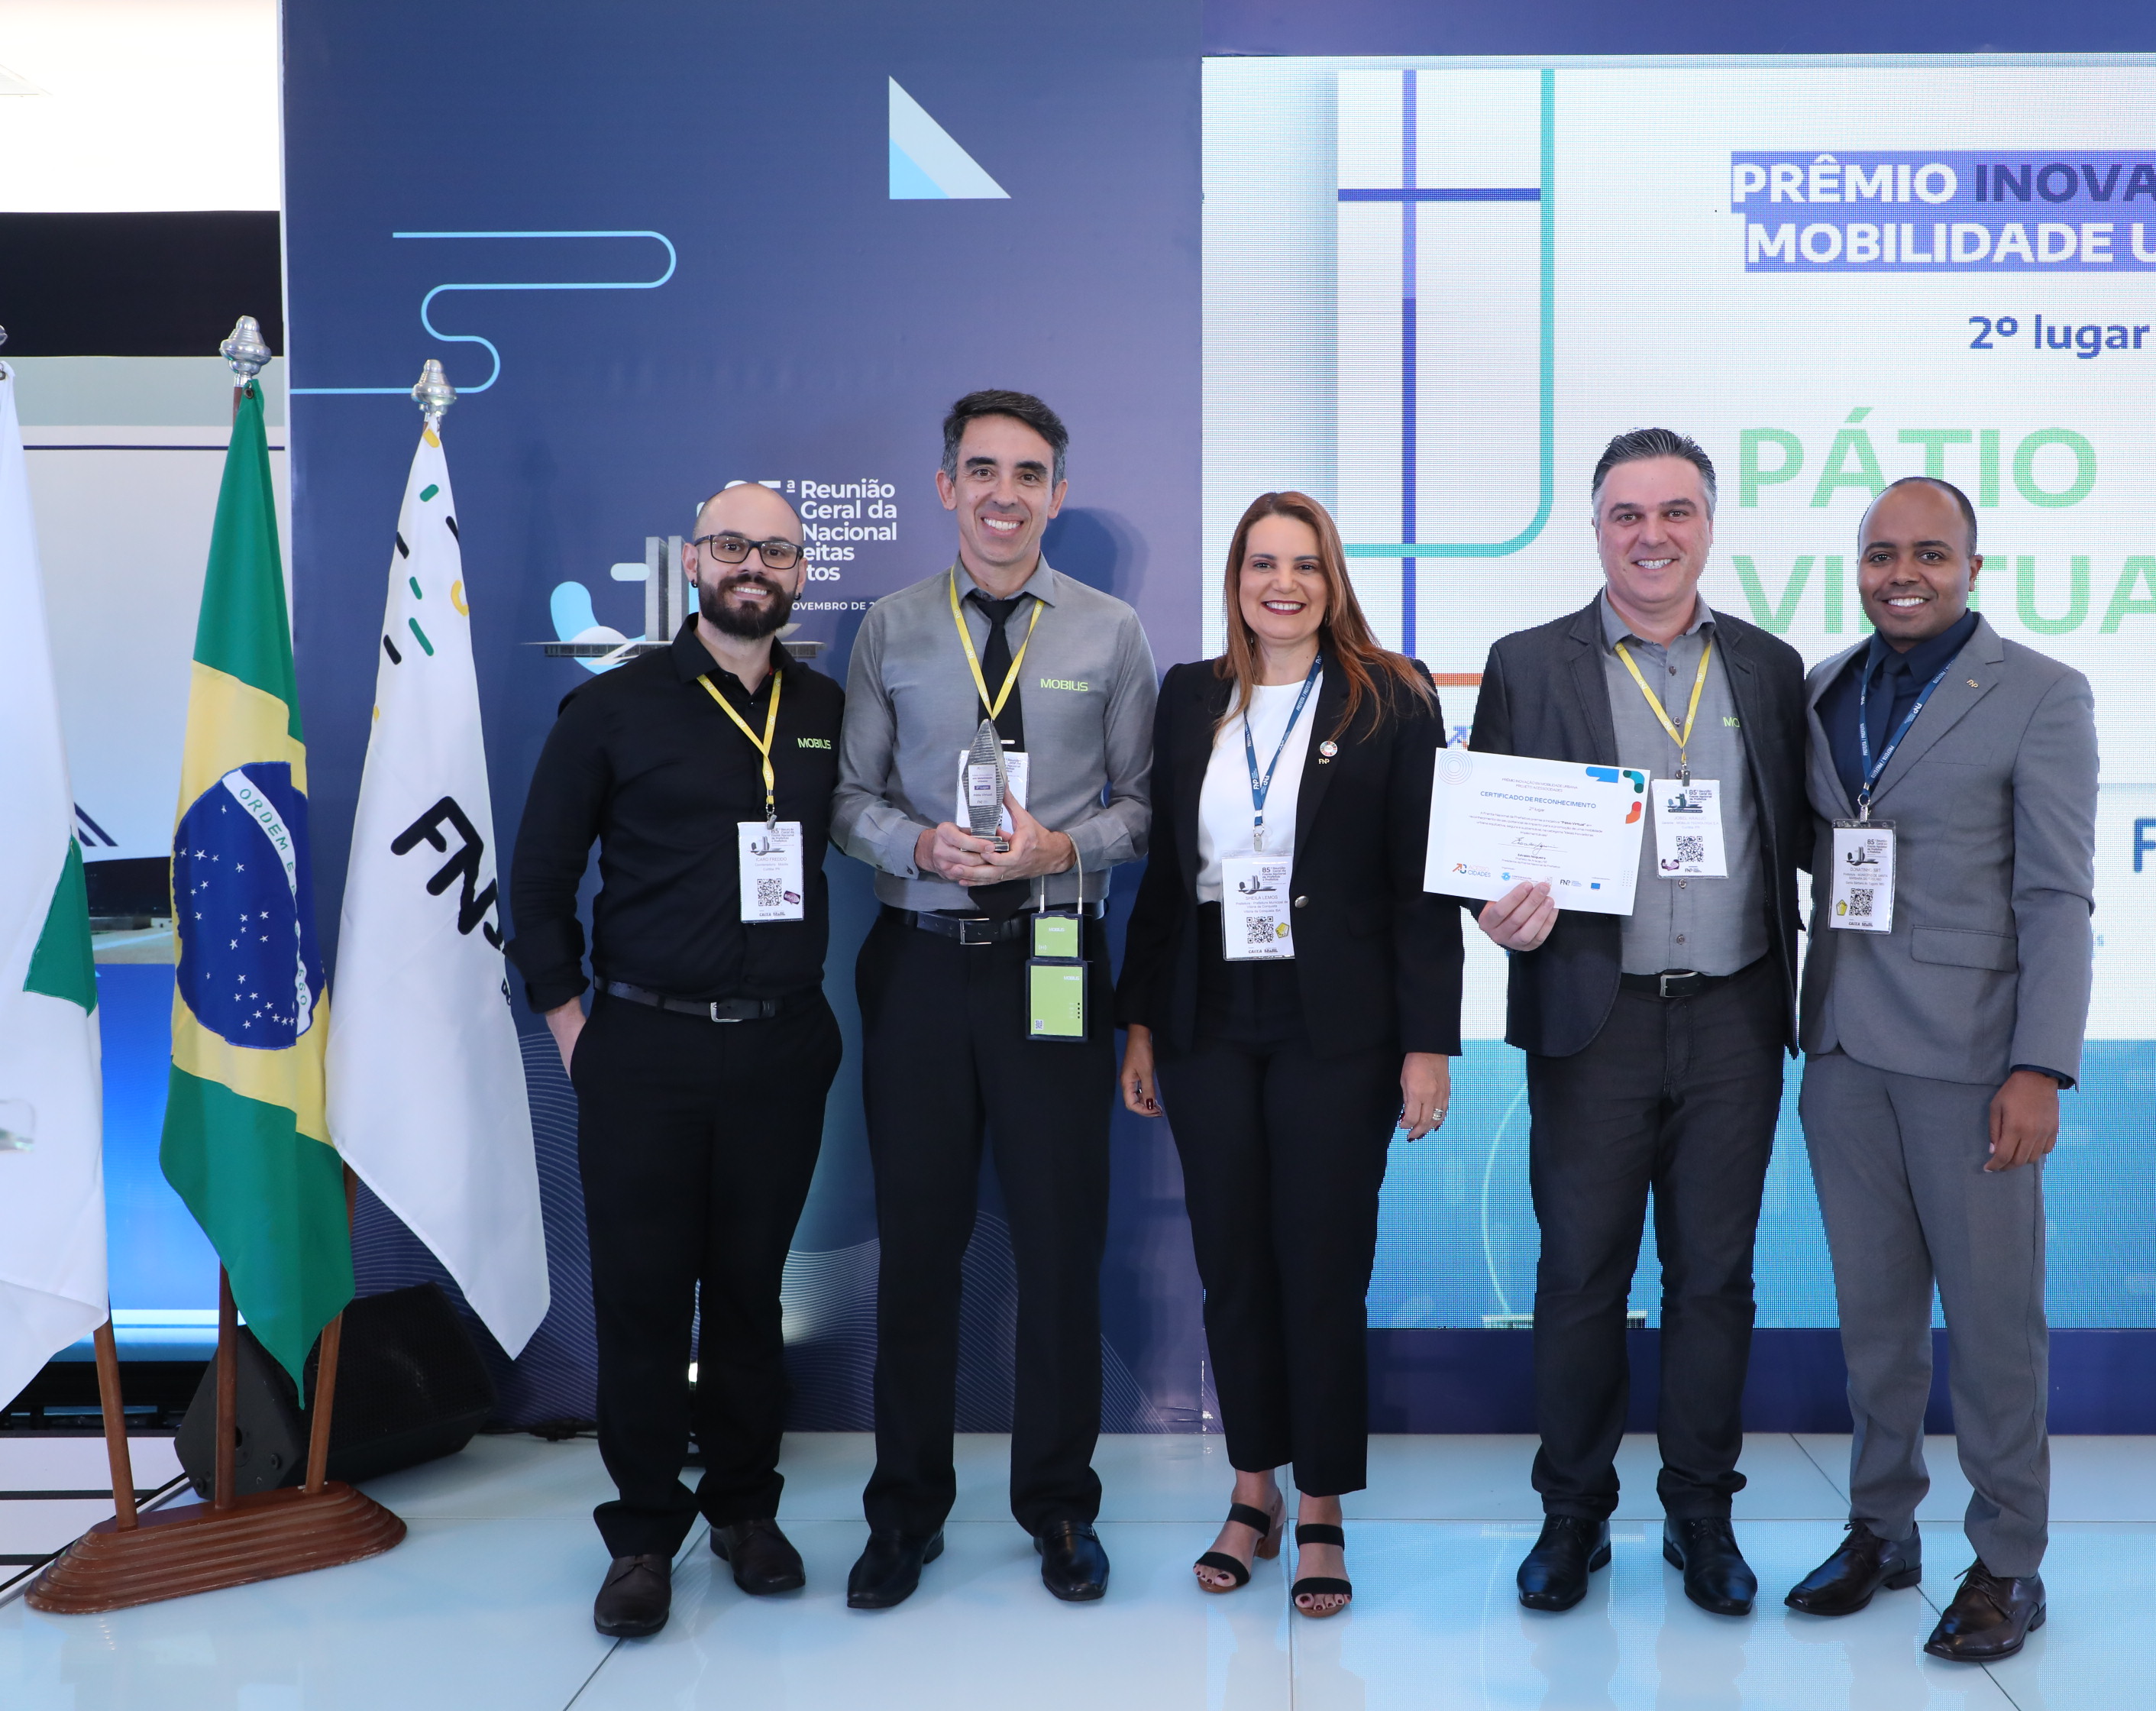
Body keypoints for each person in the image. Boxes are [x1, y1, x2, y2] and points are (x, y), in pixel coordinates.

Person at [1466, 429, 1809, 1616]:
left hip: (1735, 1015)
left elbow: (1806, 834)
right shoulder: (1528, 663)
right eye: (1627, 514)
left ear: (1708, 525)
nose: (1651, 535)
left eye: (1675, 512)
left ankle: (1701, 1514)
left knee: (1714, 1277)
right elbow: (1484, 840)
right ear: (1597, 528)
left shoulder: (1769, 665)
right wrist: (1492, 909)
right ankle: (1573, 1514)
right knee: (1579, 1275)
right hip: (1591, 1015)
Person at [831, 390, 1156, 1607]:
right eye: (982, 470)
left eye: (1028, 474)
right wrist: (916, 845)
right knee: (919, 1248)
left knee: (1061, 1247)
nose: (1003, 494)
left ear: (1057, 495)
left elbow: (1144, 805)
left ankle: (1060, 1509)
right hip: (920, 962)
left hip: (1054, 961)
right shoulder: (891, 627)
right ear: (946, 487)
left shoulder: (1112, 632)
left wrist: (1061, 850)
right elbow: (847, 799)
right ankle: (904, 1514)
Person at [1115, 491, 1461, 1619]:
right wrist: (1141, 1022)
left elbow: (1422, 885)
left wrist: (1428, 1044)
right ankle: (1251, 1488)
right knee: (1234, 1263)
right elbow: (1166, 878)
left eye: (1305, 564)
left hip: (1339, 1022)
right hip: (1208, 1012)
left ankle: (1321, 1505)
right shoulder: (1189, 695)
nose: (1284, 584)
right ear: (1236, 579)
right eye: (1263, 563)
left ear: (1333, 579)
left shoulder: (1392, 697)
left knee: (1321, 1262)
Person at [509, 482, 845, 1639]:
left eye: (778, 552)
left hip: (782, 1045)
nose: (756, 566)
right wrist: (575, 1032)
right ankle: (644, 1535)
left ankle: (747, 1512)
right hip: (643, 1048)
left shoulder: (824, 707)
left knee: (752, 1295)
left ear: (800, 574)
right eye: (734, 546)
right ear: (693, 561)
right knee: (645, 1301)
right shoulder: (611, 707)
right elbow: (538, 885)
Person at [1783, 474, 2096, 1662]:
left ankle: (2010, 1562)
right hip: (1842, 1049)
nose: (1902, 574)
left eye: (1928, 553)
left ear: (1973, 565)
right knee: (1875, 1322)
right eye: (1881, 554)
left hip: (1974, 1061)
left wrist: (2040, 1066)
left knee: (1994, 1326)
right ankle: (1883, 1530)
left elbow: (2057, 895)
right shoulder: (1823, 687)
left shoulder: (2042, 694)